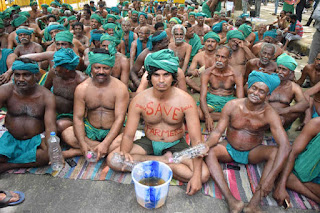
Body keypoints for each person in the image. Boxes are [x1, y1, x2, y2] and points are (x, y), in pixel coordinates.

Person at [107, 49, 209, 195]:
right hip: (149, 142)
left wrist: (197, 177)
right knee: (113, 159)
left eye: (166, 75)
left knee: (203, 175)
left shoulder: (186, 100)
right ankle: (165, 161)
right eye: (156, 75)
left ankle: (156, 165)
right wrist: (124, 152)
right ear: (149, 77)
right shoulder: (139, 99)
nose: (161, 80)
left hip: (176, 144)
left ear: (173, 76)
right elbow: (128, 135)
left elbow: (196, 141)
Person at [205, 71, 290, 212]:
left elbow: (285, 146)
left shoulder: (270, 114)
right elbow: (217, 131)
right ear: (248, 87)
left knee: (276, 153)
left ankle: (254, 204)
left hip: (253, 152)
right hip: (229, 148)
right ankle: (231, 201)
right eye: (254, 88)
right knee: (210, 151)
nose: (256, 93)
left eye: (262, 91)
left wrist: (271, 179)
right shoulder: (232, 105)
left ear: (268, 96)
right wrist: (206, 145)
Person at [62, 49, 129, 160]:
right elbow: (78, 118)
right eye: (97, 67)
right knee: (67, 134)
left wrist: (106, 143)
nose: (101, 71)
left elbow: (119, 118)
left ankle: (79, 151)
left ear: (111, 69)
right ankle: (93, 149)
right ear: (91, 68)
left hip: (114, 132)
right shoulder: (82, 89)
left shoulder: (120, 88)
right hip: (91, 130)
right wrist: (82, 142)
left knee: (128, 139)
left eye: (106, 68)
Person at [0, 58, 56, 173]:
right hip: (9, 136)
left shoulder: (46, 96)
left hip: (35, 139)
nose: (21, 79)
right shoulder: (5, 91)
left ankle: (8, 166)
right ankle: (19, 159)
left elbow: (50, 126)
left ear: (36, 76)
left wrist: (53, 148)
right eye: (17, 75)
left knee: (46, 156)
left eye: (26, 75)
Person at [273, 117, 320, 207]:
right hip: (306, 169)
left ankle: (293, 181)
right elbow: (292, 153)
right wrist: (281, 186)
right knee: (285, 175)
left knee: (289, 178)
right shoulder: (316, 124)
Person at [198, 45, 244, 131]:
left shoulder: (236, 74)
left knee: (239, 114)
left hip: (228, 100)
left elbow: (240, 99)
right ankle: (227, 116)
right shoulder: (208, 73)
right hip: (212, 99)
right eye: (217, 56)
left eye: (223, 57)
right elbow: (202, 97)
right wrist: (207, 117)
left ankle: (224, 115)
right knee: (199, 114)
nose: (219, 60)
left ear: (229, 58)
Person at [43, 48, 87, 133]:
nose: (54, 67)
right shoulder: (54, 73)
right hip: (52, 111)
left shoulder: (81, 81)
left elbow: (86, 109)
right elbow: (45, 91)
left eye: (58, 65)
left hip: (72, 116)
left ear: (67, 69)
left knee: (60, 125)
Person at [269, 53, 309, 129]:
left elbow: (305, 104)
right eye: (279, 68)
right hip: (265, 115)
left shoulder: (294, 87)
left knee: (298, 110)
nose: (280, 72)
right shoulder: (268, 80)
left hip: (283, 118)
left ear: (291, 73)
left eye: (284, 70)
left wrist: (283, 111)